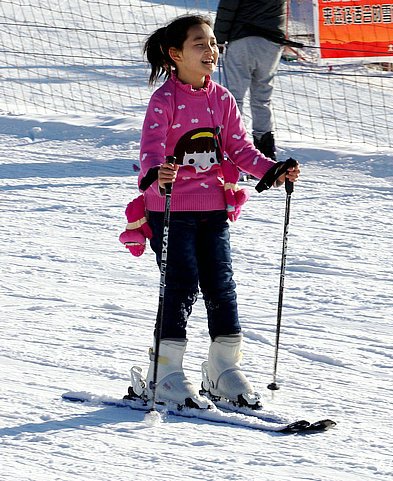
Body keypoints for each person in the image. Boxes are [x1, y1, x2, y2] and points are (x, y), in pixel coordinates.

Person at [130, 14, 300, 410]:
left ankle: (222, 367)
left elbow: (239, 149)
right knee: (181, 284)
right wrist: (157, 171)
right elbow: (151, 147)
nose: (211, 51)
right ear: (175, 55)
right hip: (170, 209)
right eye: (199, 44)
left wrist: (271, 170)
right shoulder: (165, 99)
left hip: (214, 208)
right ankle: (165, 371)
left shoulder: (221, 98)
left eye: (212, 43)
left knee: (221, 285)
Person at [214, 0, 295, 160]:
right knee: (263, 97)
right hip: (271, 41)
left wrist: (219, 39)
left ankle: (234, 147)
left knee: (234, 97)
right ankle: (265, 149)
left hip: (241, 38)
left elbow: (227, 8)